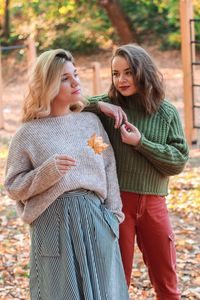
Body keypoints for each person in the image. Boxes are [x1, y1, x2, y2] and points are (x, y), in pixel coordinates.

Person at [4, 49, 129, 300]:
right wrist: (45, 173)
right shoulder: (27, 134)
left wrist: (113, 217)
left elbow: (108, 168)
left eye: (76, 75)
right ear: (47, 84)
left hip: (97, 220)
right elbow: (13, 187)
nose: (75, 82)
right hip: (52, 224)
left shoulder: (89, 123)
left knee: (107, 293)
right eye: (64, 78)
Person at [86, 43, 189, 300]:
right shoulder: (110, 105)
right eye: (115, 73)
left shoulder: (166, 113)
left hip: (154, 204)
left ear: (144, 72)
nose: (121, 79)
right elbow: (70, 102)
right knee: (118, 281)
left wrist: (141, 143)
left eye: (129, 72)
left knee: (167, 281)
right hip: (117, 204)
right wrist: (102, 107)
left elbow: (177, 161)